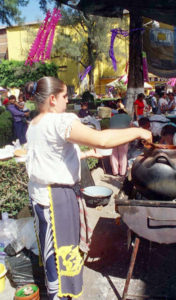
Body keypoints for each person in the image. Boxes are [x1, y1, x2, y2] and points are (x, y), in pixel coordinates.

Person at [24, 77, 152, 300]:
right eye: (65, 97)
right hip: (55, 198)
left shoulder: (35, 124)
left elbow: (48, 158)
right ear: (53, 99)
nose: (67, 101)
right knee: (60, 253)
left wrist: (83, 155)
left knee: (52, 254)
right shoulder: (59, 121)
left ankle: (58, 292)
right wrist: (137, 132)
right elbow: (101, 140)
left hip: (42, 196)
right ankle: (61, 296)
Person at [109, 109, 132, 176]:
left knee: (113, 154)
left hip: (112, 137)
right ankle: (122, 172)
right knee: (123, 154)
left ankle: (115, 171)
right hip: (123, 137)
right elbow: (131, 127)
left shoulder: (112, 118)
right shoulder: (128, 117)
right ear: (125, 113)